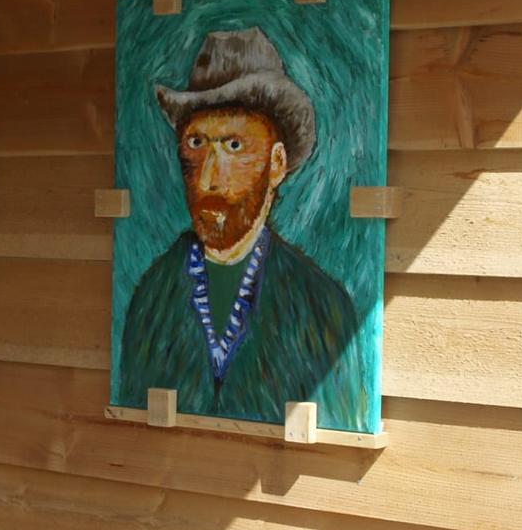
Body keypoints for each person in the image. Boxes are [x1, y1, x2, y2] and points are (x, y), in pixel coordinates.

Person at [118, 26, 358, 424]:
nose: (209, 178)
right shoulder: (151, 299)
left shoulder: (323, 309)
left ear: (276, 164)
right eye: (197, 144)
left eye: (234, 146)